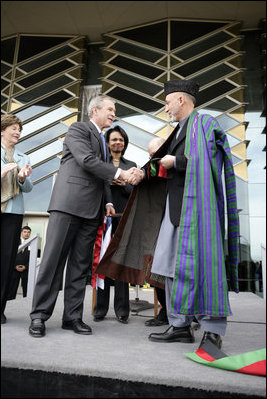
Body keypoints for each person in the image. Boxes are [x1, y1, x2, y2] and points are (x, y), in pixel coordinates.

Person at [96, 79, 239, 350]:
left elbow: (209, 160)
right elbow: (163, 167)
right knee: (167, 268)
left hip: (197, 214)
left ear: (181, 100)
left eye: (168, 101)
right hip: (175, 212)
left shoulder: (204, 124)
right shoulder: (179, 131)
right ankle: (179, 324)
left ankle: (212, 329)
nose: (166, 107)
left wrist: (178, 161)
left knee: (205, 267)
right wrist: (143, 172)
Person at [28, 95, 133, 338]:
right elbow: (87, 161)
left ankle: (72, 317)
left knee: (80, 267)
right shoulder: (78, 129)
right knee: (53, 263)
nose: (113, 113)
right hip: (68, 206)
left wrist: (107, 201)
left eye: (114, 110)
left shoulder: (103, 142)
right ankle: (39, 316)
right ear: (94, 110)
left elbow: (101, 175)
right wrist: (123, 173)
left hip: (92, 212)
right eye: (110, 109)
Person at [93, 126, 136, 324]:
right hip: (103, 219)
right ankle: (100, 308)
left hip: (123, 219)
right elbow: (98, 187)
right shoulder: (102, 164)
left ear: (124, 143)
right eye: (114, 140)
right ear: (108, 143)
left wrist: (124, 184)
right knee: (102, 263)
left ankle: (122, 310)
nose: (117, 143)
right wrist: (110, 183)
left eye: (121, 140)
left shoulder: (132, 164)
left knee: (120, 264)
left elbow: (136, 192)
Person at [1, 114, 33, 324]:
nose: (16, 132)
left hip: (13, 213)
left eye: (19, 129)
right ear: (2, 130)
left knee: (6, 261)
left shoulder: (24, 157)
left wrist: (22, 178)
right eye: (13, 128)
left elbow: (29, 188)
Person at [144, 137, 168, 327]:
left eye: (155, 154)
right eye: (150, 155)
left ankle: (185, 313)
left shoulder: (177, 163)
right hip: (156, 225)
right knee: (156, 271)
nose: (152, 158)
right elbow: (144, 174)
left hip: (177, 223)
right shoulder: (152, 167)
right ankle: (165, 311)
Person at [7, 226, 32, 300]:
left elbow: (33, 258)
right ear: (21, 232)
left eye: (28, 232)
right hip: (14, 269)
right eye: (25, 232)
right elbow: (10, 255)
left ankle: (26, 305)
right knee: (11, 290)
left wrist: (26, 267)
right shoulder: (15, 242)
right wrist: (15, 266)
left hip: (26, 270)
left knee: (27, 291)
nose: (26, 234)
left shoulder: (32, 243)